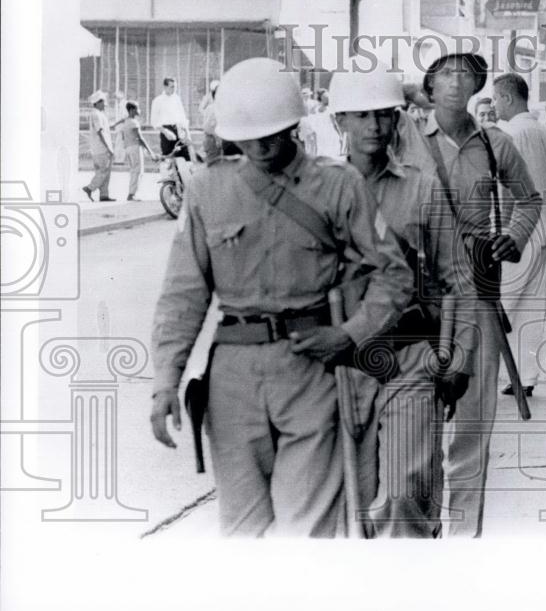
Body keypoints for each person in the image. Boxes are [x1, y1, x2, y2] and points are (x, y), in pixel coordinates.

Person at [149, 57, 413, 537]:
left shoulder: (338, 184)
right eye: (247, 136)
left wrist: (350, 334)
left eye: (273, 132)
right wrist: (165, 381)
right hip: (232, 377)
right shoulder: (209, 189)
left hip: (310, 368)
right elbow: (183, 293)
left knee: (307, 529)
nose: (260, 144)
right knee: (242, 531)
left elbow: (393, 274)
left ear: (294, 123)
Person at [330, 69, 477, 538]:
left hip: (409, 355)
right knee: (348, 496)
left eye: (383, 115)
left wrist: (458, 357)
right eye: (362, 116)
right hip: (338, 363)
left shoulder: (422, 188)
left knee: (404, 490)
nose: (373, 126)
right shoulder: (317, 190)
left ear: (398, 121)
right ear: (340, 122)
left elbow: (458, 278)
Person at [410, 51, 541, 537]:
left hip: (477, 292)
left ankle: (465, 538)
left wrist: (515, 233)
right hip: (418, 297)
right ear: (428, 83)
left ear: (479, 85)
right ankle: (424, 528)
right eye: (446, 72)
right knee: (418, 425)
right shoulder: (404, 141)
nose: (456, 80)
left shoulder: (494, 145)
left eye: (466, 73)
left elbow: (528, 199)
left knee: (472, 425)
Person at [493, 72, 546, 396]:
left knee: (502, 302)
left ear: (507, 98)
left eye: (495, 99)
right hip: (545, 228)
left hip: (519, 232)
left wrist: (503, 229)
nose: (493, 106)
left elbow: (510, 190)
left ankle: (489, 371)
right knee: (532, 307)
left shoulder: (512, 133)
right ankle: (526, 376)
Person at [113, 102, 158, 200]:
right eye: (137, 109)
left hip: (128, 148)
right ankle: (132, 194)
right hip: (134, 147)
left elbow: (119, 122)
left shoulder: (126, 121)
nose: (139, 111)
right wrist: (151, 152)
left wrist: (116, 123)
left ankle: (132, 193)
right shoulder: (134, 122)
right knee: (137, 171)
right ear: (132, 110)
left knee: (134, 170)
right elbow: (140, 138)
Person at [83, 90, 114, 202]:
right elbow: (100, 132)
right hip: (101, 149)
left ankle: (104, 195)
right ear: (98, 102)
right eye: (103, 102)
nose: (104, 105)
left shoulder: (98, 114)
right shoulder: (96, 114)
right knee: (103, 171)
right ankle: (90, 188)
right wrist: (108, 147)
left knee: (105, 172)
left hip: (98, 148)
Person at [151, 77, 191, 161]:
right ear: (165, 87)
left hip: (179, 130)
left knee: (185, 158)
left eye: (175, 87)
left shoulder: (177, 99)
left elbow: (182, 117)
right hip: (166, 132)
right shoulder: (158, 101)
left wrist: (187, 134)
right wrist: (165, 132)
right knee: (168, 160)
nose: (174, 89)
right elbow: (154, 121)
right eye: (172, 87)